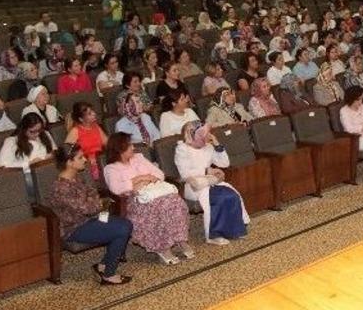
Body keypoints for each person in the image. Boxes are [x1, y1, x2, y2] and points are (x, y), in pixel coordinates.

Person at [48, 144, 133, 285]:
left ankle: (103, 266)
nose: (85, 160)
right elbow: (87, 208)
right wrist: (97, 203)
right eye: (80, 157)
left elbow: (92, 191)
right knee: (123, 228)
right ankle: (108, 274)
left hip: (89, 219)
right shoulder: (61, 187)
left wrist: (93, 202)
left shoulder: (75, 177)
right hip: (74, 228)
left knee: (125, 224)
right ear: (69, 162)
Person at [103, 132, 194, 264]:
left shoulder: (138, 158)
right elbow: (116, 188)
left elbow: (159, 174)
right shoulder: (111, 169)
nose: (133, 147)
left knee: (176, 202)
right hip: (134, 201)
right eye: (129, 146)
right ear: (120, 150)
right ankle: (162, 247)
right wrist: (140, 179)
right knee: (161, 207)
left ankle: (180, 240)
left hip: (155, 192)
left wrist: (143, 181)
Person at [175, 121, 249, 245]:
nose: (205, 137)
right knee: (218, 199)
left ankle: (233, 230)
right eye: (202, 134)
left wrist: (217, 144)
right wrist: (207, 170)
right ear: (192, 135)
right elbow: (185, 173)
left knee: (231, 195)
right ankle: (214, 235)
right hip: (193, 186)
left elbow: (224, 163)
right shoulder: (182, 149)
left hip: (211, 182)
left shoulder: (208, 147)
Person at [0, 113, 56, 196]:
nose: (37, 134)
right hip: (26, 178)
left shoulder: (45, 134)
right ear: (24, 129)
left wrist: (51, 157)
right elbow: (3, 166)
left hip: (48, 172)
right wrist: (28, 164)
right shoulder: (11, 141)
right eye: (32, 131)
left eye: (39, 130)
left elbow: (55, 152)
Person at [65, 102, 108, 178]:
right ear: (81, 119)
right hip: (85, 167)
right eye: (89, 113)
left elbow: (108, 143)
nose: (94, 114)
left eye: (92, 111)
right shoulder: (75, 131)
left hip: (100, 161)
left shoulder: (96, 127)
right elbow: (69, 155)